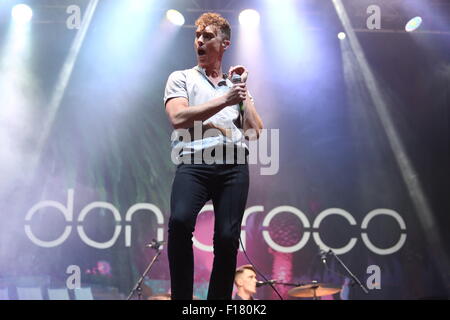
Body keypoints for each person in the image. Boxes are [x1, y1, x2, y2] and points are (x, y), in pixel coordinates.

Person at [164, 12, 263, 300]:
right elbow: (178, 117)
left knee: (227, 238)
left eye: (207, 36)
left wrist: (241, 94)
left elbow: (255, 132)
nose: (200, 41)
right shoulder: (181, 78)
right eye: (197, 36)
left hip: (233, 166)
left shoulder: (237, 89)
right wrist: (224, 100)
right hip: (194, 163)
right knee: (180, 222)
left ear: (224, 44)